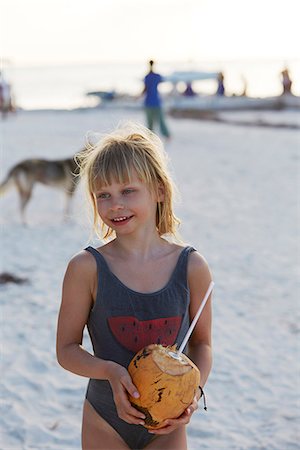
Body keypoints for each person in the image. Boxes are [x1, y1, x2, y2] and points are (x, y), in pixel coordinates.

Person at [56, 123, 213, 450]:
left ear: (158, 190)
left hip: (167, 424)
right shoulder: (85, 269)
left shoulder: (193, 268)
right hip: (105, 419)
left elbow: (202, 346)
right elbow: (66, 350)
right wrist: (111, 371)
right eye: (103, 195)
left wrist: (191, 394)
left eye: (128, 191)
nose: (115, 205)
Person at [142, 60, 170, 138]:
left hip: (148, 102)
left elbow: (144, 89)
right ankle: (167, 135)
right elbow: (164, 80)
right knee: (161, 121)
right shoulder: (157, 76)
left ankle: (150, 137)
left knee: (150, 123)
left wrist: (137, 97)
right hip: (156, 101)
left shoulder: (147, 77)